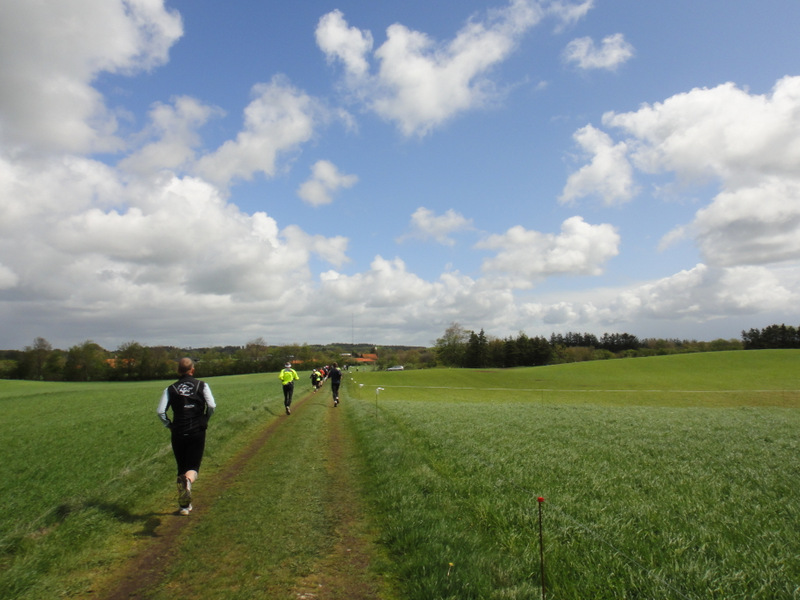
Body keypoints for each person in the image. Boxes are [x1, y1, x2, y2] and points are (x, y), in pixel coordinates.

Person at [157, 357, 216, 516]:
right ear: (192, 370)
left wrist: (169, 425)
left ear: (178, 371)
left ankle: (184, 507)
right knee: (193, 468)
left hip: (178, 432)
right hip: (197, 431)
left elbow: (160, 411)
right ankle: (188, 482)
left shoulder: (170, 389)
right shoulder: (201, 385)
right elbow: (211, 405)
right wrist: (205, 418)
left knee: (181, 467)